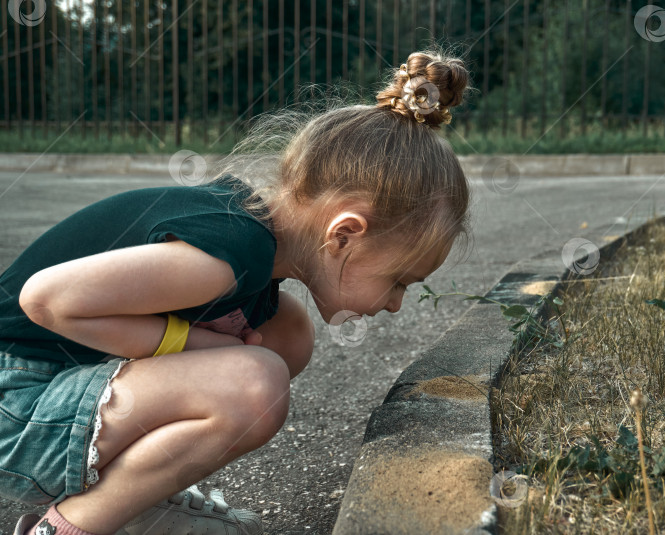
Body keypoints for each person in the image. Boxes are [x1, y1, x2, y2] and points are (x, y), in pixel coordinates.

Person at [3, 48, 472, 535]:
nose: (395, 304)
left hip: (49, 398)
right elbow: (44, 299)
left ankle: (137, 498)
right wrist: (194, 343)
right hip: (15, 403)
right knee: (255, 385)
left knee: (287, 335)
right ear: (344, 234)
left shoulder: (256, 246)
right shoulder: (224, 260)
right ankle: (71, 525)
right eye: (398, 281)